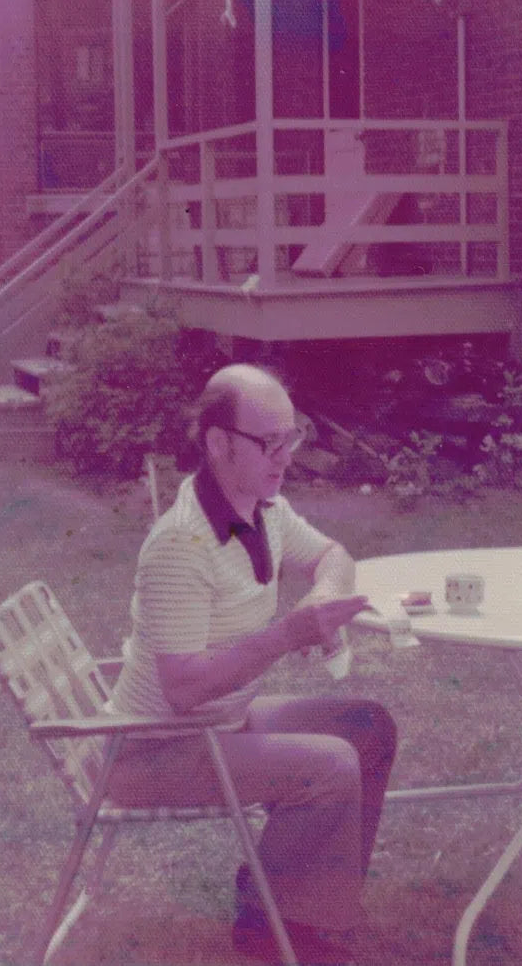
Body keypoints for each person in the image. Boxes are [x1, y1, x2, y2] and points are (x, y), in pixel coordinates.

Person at [107, 364, 398, 966]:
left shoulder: (263, 509)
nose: (286, 457)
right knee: (331, 764)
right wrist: (288, 635)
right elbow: (184, 689)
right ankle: (280, 930)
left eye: (292, 438)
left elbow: (333, 555)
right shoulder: (179, 545)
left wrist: (321, 598)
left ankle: (297, 906)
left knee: (369, 729)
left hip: (218, 726)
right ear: (218, 443)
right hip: (152, 749)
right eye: (270, 443)